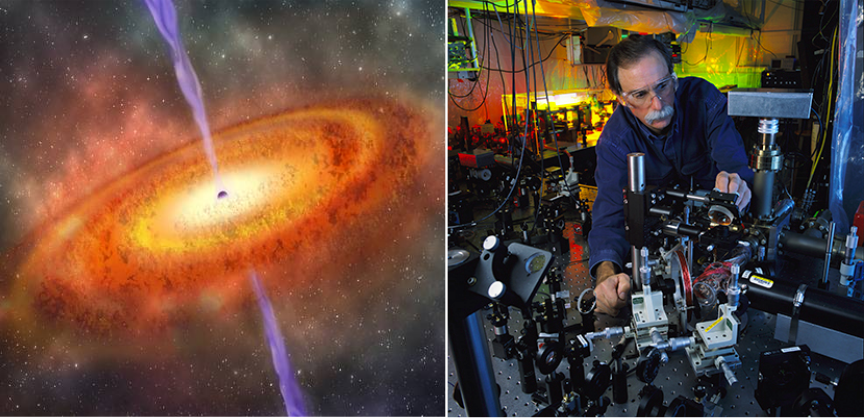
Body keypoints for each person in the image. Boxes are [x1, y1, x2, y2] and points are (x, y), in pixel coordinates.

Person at [588, 35, 754, 316]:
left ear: (674, 79)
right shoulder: (615, 143)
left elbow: (733, 163)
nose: (657, 104)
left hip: (718, 236)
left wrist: (735, 183)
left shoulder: (704, 100)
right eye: (640, 94)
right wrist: (606, 275)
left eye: (663, 86)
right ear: (621, 99)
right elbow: (609, 218)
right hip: (662, 252)